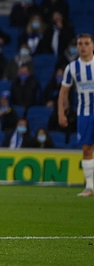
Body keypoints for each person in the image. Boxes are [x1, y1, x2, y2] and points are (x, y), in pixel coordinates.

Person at [59, 34, 94, 196]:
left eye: (87, 43)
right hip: (84, 114)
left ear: (92, 46)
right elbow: (63, 93)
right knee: (87, 149)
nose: (83, 46)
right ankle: (90, 187)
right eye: (80, 43)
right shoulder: (72, 68)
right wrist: (61, 113)